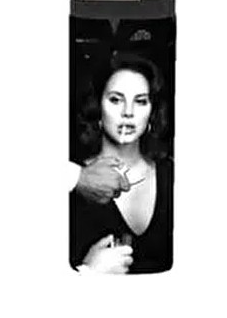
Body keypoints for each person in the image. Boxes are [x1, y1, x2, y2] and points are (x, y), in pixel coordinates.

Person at [70, 51, 173, 274]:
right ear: (97, 106)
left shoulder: (173, 176)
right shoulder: (71, 183)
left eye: (141, 101)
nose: (128, 112)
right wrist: (87, 272)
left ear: (152, 112)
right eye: (116, 100)